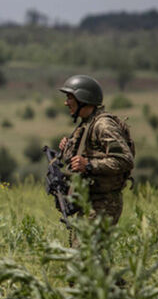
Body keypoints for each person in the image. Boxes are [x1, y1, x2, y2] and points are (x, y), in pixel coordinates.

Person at [57, 75, 135, 245]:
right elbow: (80, 159)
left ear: (82, 99)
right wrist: (68, 148)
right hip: (91, 202)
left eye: (70, 97)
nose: (66, 102)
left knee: (86, 256)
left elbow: (125, 160)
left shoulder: (103, 125)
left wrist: (89, 165)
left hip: (104, 204)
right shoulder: (87, 123)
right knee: (84, 256)